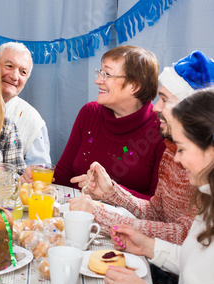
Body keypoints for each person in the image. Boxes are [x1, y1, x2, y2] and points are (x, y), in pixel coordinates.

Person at [69, 51, 214, 244]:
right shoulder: (172, 149)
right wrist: (110, 192)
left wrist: (99, 214)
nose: (155, 107)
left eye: (164, 99)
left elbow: (186, 236)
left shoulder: (202, 163)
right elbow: (156, 212)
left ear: (191, 110)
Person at [104, 88, 214, 284]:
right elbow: (196, 262)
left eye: (182, 149)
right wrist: (149, 247)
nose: (179, 159)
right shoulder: (208, 197)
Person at [53, 45, 165, 200]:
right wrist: (38, 178)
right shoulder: (90, 113)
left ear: (134, 86)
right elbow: (64, 174)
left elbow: (157, 208)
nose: (98, 80)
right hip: (76, 216)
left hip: (125, 224)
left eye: (107, 74)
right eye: (100, 73)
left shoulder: (162, 129)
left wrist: (110, 192)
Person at [0, 42, 51, 165]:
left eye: (23, 72)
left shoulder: (33, 121)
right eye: (9, 66)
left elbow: (39, 177)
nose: (14, 76)